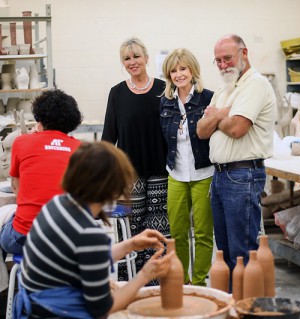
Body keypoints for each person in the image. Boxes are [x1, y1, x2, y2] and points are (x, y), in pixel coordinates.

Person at [17, 141, 173, 318]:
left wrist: (129, 245)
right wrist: (145, 275)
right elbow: (102, 309)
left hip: (35, 305)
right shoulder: (89, 233)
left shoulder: (57, 204)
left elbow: (84, 257)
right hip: (54, 313)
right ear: (112, 188)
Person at [0, 89, 83, 311]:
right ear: (72, 121)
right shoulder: (82, 149)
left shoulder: (22, 142)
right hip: (70, 240)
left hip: (24, 237)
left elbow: (17, 191)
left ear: (39, 118)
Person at [196, 34, 276, 273]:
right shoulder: (224, 89)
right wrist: (223, 113)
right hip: (220, 176)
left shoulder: (256, 84)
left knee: (242, 253)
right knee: (224, 252)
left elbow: (237, 128)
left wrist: (215, 115)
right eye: (218, 60)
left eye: (227, 58)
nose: (223, 65)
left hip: (242, 175)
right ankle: (232, 304)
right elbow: (200, 131)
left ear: (244, 53)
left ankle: (245, 307)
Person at [102, 36, 169, 282]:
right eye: (127, 58)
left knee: (159, 227)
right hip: (130, 174)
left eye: (136, 56)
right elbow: (109, 137)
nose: (132, 62)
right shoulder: (117, 93)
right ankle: (130, 280)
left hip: (162, 170)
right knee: (133, 227)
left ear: (146, 58)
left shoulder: (164, 89)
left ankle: (156, 279)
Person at [159, 48, 214, 286]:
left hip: (204, 173)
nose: (179, 74)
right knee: (178, 233)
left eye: (183, 68)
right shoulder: (164, 102)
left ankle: (200, 283)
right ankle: (182, 283)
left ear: (192, 70)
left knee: (203, 233)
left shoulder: (209, 98)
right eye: (173, 70)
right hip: (176, 174)